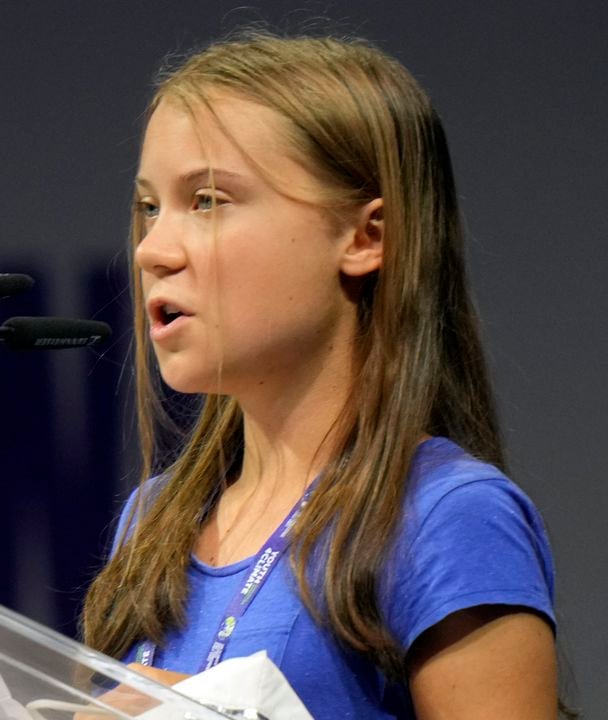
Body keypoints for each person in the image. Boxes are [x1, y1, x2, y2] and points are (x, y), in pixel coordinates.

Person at [80, 32, 563, 718]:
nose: (154, 250)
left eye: (209, 201)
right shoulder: (153, 521)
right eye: (149, 208)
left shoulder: (446, 517)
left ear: (365, 238)